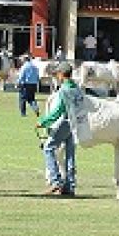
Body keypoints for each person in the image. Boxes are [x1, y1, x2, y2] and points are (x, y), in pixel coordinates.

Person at [38, 61, 83, 196]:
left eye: (58, 73)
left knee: (48, 148)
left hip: (65, 122)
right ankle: (70, 185)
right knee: (70, 154)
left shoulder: (64, 90)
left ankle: (56, 181)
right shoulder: (77, 89)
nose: (57, 76)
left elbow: (58, 111)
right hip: (76, 124)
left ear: (62, 74)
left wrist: (43, 122)